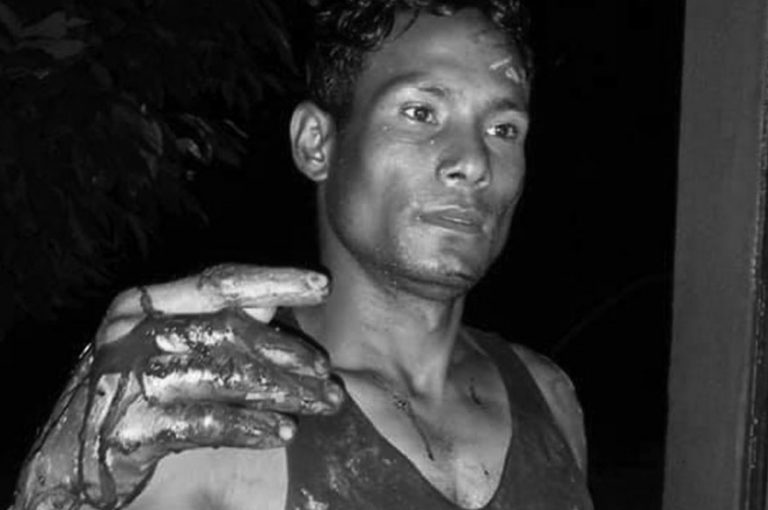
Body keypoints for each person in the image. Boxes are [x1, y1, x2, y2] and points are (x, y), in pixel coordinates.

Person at [13, 1, 593, 509]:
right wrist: (62, 489)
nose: (473, 162)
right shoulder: (211, 414)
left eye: (503, 129)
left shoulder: (547, 396)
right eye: (420, 113)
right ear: (317, 143)